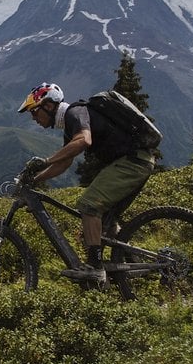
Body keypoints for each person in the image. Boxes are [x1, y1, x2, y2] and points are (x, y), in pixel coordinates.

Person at [17, 82, 156, 283]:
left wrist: (46, 161)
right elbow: (64, 163)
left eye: (35, 112)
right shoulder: (70, 123)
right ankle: (135, 271)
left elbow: (83, 140)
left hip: (133, 162)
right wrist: (35, 180)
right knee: (107, 223)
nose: (34, 118)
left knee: (89, 206)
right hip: (133, 161)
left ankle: (95, 267)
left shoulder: (76, 113)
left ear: (48, 106)